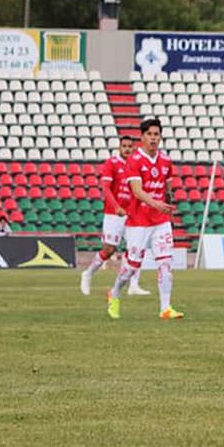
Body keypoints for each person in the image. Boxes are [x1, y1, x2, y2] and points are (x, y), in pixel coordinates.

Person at [105, 118, 182, 320]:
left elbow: (167, 189)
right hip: (138, 222)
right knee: (131, 267)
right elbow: (137, 191)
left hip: (160, 222)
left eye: (157, 134)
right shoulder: (135, 161)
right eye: (150, 134)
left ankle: (165, 308)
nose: (153, 138)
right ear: (142, 137)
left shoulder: (165, 161)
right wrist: (157, 204)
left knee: (165, 263)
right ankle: (114, 293)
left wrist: (168, 207)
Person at [80, 135, 150, 297]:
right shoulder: (111, 163)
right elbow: (106, 188)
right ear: (119, 147)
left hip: (133, 214)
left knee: (136, 249)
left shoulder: (137, 164)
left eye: (129, 146)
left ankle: (133, 285)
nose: (127, 149)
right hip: (114, 214)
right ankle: (88, 273)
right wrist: (116, 206)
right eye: (124, 146)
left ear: (134, 148)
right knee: (109, 250)